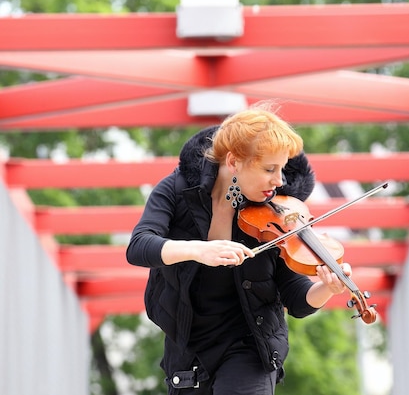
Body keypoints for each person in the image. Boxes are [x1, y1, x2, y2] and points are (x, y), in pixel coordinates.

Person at [126, 102, 352, 395]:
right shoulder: (175, 190)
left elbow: (295, 297)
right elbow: (139, 246)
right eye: (269, 169)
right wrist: (197, 250)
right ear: (233, 162)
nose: (279, 180)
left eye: (282, 169)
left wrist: (326, 288)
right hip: (190, 350)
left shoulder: (278, 213)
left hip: (250, 346)